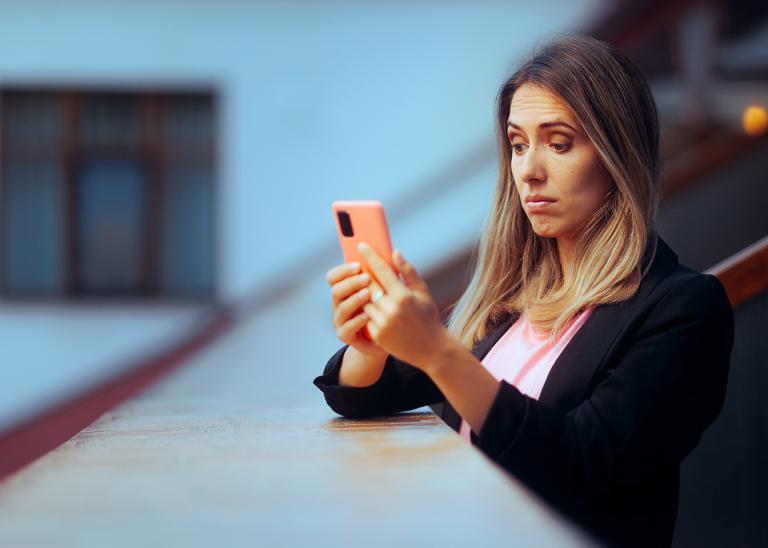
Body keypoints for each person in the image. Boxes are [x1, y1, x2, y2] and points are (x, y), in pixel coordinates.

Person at [313, 34, 734, 548]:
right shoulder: (509, 303)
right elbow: (366, 398)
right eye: (517, 145)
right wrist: (369, 345)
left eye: (559, 143)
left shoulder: (684, 308)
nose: (529, 171)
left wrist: (440, 354)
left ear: (617, 153)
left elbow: (579, 464)